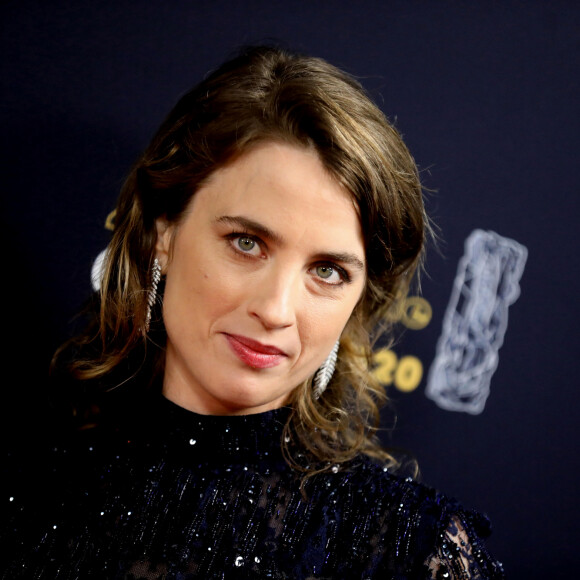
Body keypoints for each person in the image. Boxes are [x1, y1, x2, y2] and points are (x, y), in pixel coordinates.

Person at [2, 46, 504, 579]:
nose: (275, 309)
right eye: (246, 242)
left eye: (328, 270)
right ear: (163, 233)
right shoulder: (30, 494)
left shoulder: (408, 547)